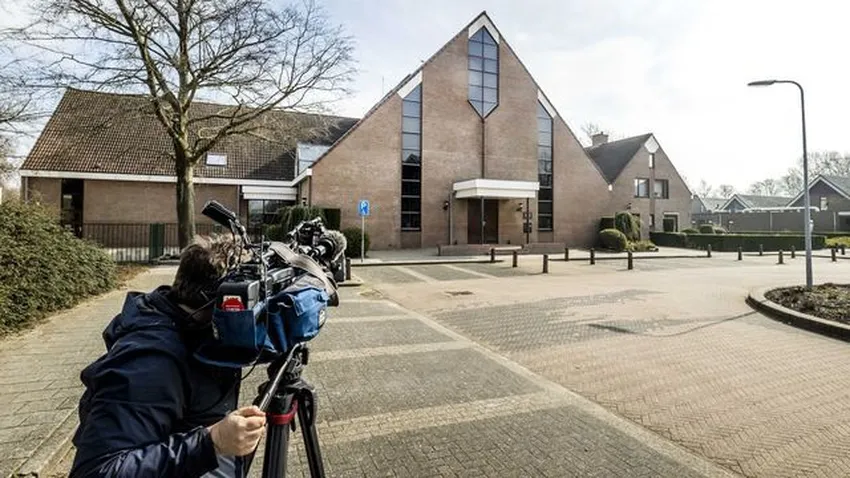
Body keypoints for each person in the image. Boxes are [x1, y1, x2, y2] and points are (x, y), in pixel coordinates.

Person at [71, 235, 265, 477]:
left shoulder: (197, 328)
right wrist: (211, 441)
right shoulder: (149, 365)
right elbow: (97, 471)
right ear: (221, 300)